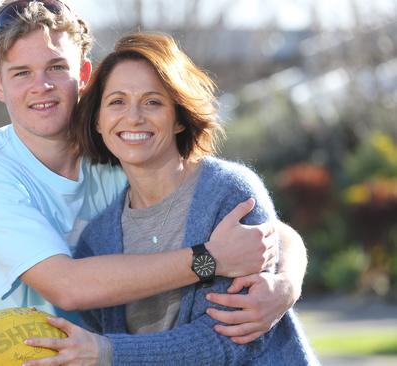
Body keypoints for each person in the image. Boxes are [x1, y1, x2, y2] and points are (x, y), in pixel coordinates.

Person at [0, 1, 308, 364]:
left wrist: (287, 283)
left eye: (56, 67)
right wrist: (208, 260)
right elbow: (68, 286)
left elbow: (264, 228)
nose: (42, 86)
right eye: (22, 73)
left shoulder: (125, 153)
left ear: (83, 74)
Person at [23, 32, 319, 365]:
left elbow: (232, 342)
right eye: (117, 101)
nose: (134, 117)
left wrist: (108, 351)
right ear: (98, 120)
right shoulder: (98, 239)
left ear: (178, 117)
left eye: (153, 101)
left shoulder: (230, 194)